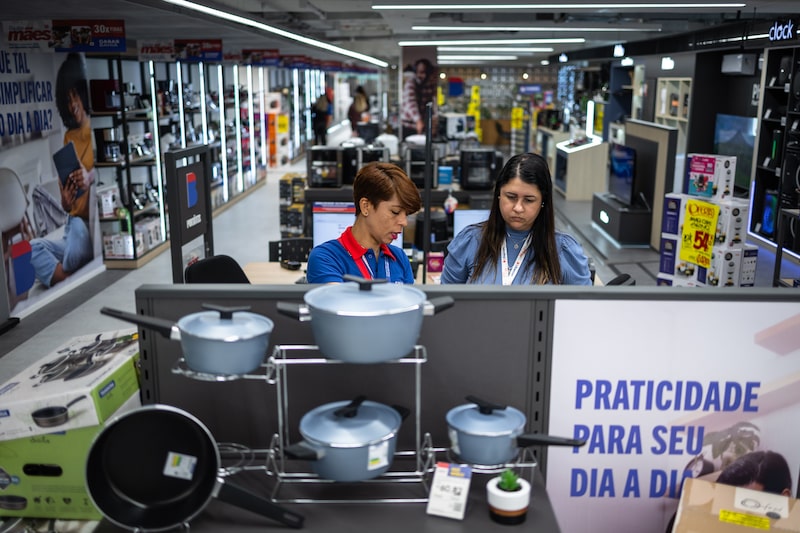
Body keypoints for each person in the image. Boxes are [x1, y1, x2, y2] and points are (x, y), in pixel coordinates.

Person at [440, 152, 591, 285]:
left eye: (529, 200)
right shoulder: (470, 241)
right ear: (499, 194)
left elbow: (582, 310)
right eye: (511, 197)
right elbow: (447, 302)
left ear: (543, 202)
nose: (518, 208)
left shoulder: (563, 250)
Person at [30, 52, 95, 289]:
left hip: (87, 225)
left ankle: (61, 272)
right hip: (72, 223)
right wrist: (66, 203)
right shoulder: (69, 137)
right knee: (32, 248)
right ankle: (67, 276)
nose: (72, 105)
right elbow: (67, 200)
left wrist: (89, 176)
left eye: (74, 96)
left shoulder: (97, 131)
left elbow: (105, 170)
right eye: (67, 100)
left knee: (77, 236)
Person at [306, 162, 421, 284]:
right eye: (395, 212)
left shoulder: (400, 258)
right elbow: (339, 301)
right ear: (365, 207)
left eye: (406, 214)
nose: (404, 222)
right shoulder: (326, 258)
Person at [400, 58, 437, 140]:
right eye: (419, 72)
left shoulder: (428, 85)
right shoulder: (411, 83)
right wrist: (418, 120)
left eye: (424, 73)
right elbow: (411, 103)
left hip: (421, 125)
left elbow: (431, 103)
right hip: (409, 126)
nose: (421, 75)